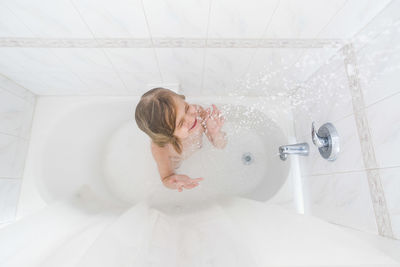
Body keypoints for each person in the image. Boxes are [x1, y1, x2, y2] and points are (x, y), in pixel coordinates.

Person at [135, 87, 227, 192]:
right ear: (167, 135)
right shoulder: (161, 149)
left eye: (187, 108)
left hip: (196, 148)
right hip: (177, 161)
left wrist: (214, 132)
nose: (192, 118)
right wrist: (174, 181)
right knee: (176, 166)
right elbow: (166, 179)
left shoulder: (198, 112)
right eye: (181, 123)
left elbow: (221, 145)